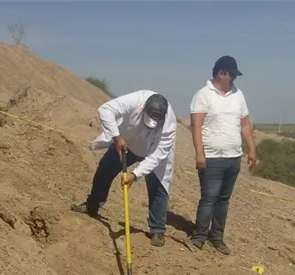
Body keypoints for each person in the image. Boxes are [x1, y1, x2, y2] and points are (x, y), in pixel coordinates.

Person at [72, 90, 177, 247]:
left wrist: (135, 175)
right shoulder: (135, 100)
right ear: (143, 109)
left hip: (152, 151)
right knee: (105, 169)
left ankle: (157, 230)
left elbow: (157, 156)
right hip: (125, 141)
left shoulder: (169, 124)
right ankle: (92, 205)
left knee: (158, 186)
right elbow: (105, 110)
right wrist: (117, 137)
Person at [188, 55, 256, 255]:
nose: (233, 79)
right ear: (221, 73)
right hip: (211, 157)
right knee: (209, 198)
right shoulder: (203, 95)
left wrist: (252, 148)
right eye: (231, 75)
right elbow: (196, 126)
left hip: (233, 157)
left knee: (223, 200)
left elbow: (244, 124)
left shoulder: (238, 95)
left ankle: (217, 237)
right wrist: (199, 153)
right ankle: (199, 237)